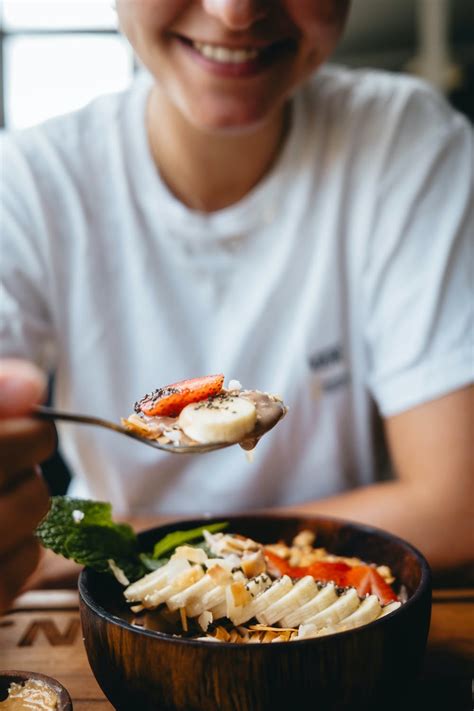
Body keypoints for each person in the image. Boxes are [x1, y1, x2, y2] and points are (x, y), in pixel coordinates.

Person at [0, 0, 472, 613]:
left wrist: (140, 533)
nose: (235, 11)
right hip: (115, 616)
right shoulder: (31, 181)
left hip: (339, 617)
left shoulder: (406, 141)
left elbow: (455, 503)